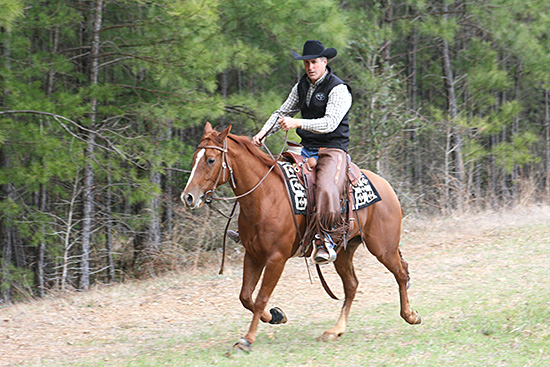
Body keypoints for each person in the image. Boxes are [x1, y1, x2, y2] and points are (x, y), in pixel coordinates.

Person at [251, 39, 353, 264]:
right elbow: (282, 112)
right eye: (306, 63)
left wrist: (297, 123)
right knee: (270, 176)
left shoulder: (339, 89)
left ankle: (325, 238)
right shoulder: (302, 86)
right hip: (305, 149)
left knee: (325, 187)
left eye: (314, 62)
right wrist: (262, 133)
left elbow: (330, 123)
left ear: (324, 62)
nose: (310, 67)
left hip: (332, 150)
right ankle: (255, 228)